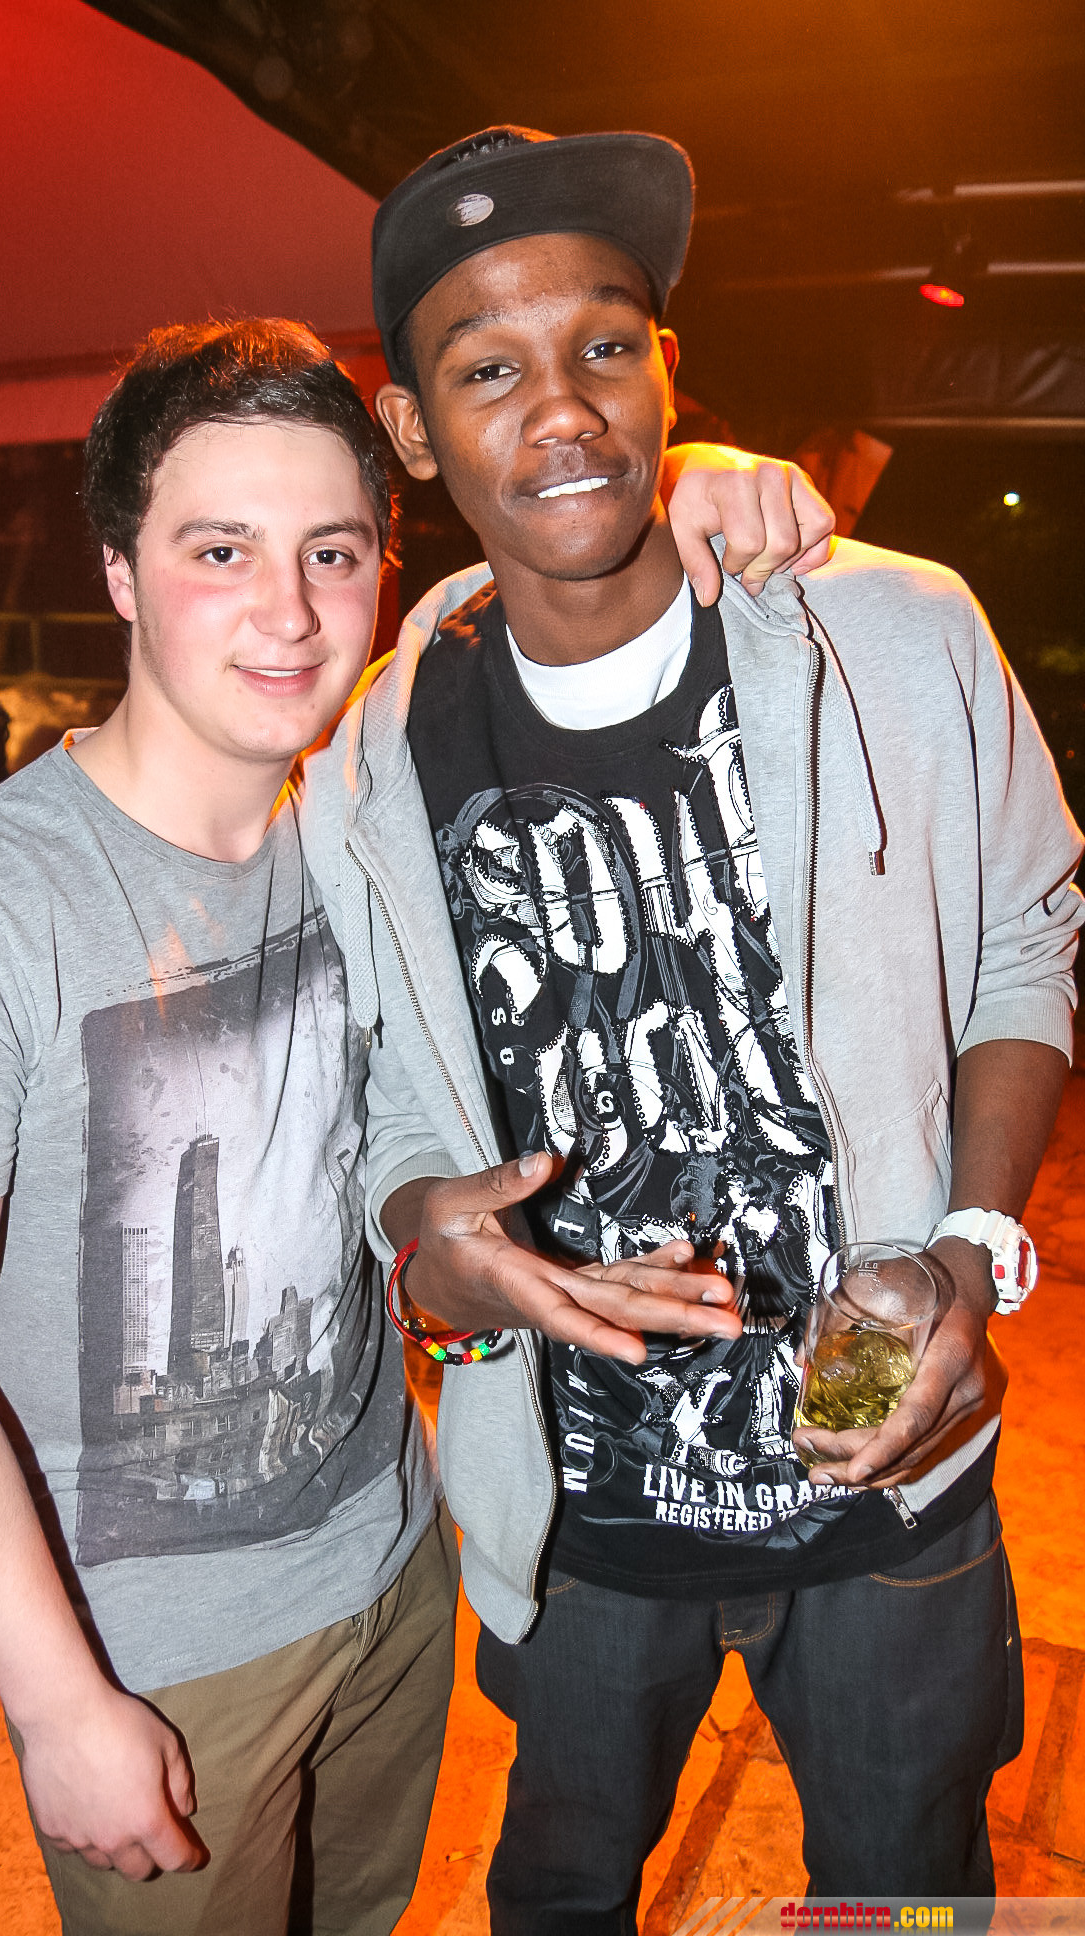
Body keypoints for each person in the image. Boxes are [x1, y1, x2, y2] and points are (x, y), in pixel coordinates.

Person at [0, 315, 826, 1936]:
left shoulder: (359, 835)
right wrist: (60, 1700)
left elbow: (537, 582)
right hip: (155, 1661)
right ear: (120, 573)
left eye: (331, 552)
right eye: (220, 551)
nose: (287, 612)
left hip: (393, 1572)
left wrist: (684, 478)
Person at [301, 127, 1084, 1923]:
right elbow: (388, 1113)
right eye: (485, 370)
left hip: (882, 1467)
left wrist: (968, 1251)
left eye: (601, 343)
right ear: (412, 431)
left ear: (668, 368)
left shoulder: (894, 636)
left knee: (906, 1895)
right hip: (578, 1509)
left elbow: (1024, 941)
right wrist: (431, 1236)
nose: (559, 410)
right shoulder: (369, 764)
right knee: (558, 1893)